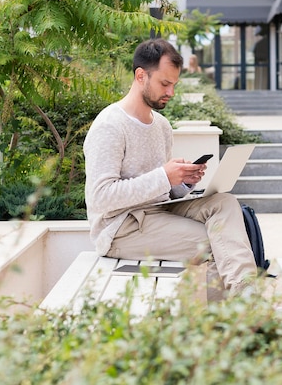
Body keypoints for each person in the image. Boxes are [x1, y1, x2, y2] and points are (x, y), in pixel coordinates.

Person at [83, 38, 257, 301]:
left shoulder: (161, 126)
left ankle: (247, 302)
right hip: (120, 227)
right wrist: (163, 176)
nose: (171, 92)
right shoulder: (110, 126)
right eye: (165, 84)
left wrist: (183, 182)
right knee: (217, 245)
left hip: (157, 212)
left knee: (224, 202)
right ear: (141, 75)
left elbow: (163, 192)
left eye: (174, 84)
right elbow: (101, 198)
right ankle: (236, 319)